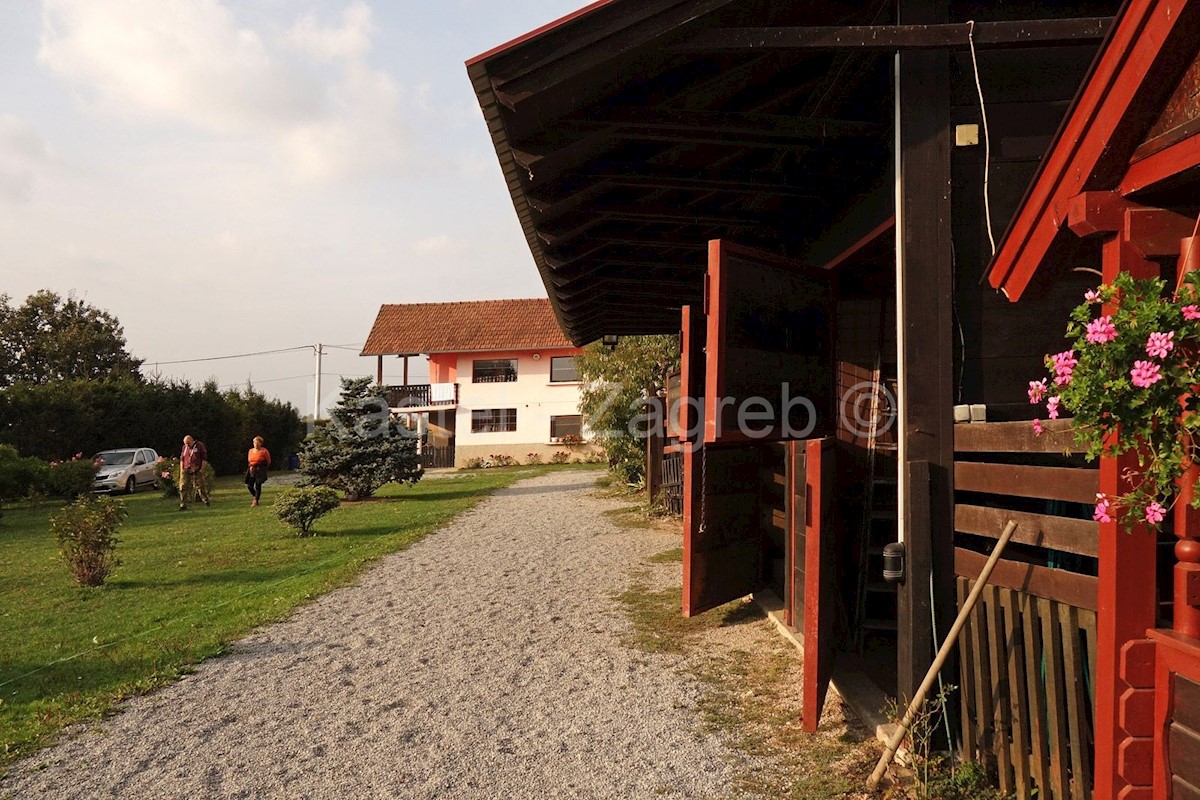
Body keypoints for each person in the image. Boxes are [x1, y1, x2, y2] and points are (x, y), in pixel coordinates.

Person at [179, 435, 209, 510]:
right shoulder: (184, 447)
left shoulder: (199, 446)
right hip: (186, 469)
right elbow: (182, 459)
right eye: (186, 444)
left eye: (188, 443)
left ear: (192, 441)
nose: (187, 445)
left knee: (201, 485)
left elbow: (204, 458)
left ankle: (205, 500)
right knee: (183, 486)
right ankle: (183, 504)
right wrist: (182, 469)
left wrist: (202, 469)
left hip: (197, 469)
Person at [246, 436, 271, 507]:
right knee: (249, 485)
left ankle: (256, 500)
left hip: (260, 470)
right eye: (254, 443)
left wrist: (262, 467)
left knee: (258, 484)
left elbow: (268, 461)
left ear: (260, 443)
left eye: (257, 443)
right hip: (252, 469)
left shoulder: (264, 451)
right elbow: (249, 460)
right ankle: (255, 496)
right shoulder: (250, 451)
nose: (255, 444)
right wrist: (251, 466)